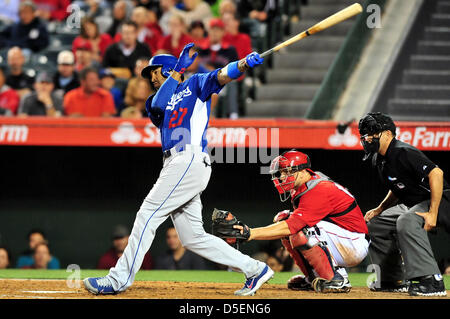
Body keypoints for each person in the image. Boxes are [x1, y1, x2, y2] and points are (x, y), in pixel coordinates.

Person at [83, 42, 273, 297]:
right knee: (193, 237)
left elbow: (222, 75)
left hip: (189, 158)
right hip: (175, 163)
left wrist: (242, 64)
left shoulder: (195, 84)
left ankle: (118, 279)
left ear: (169, 70)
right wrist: (176, 72)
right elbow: (160, 105)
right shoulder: (155, 102)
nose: (151, 77)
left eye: (155, 71)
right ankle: (255, 269)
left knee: (147, 215)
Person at [233, 150, 369, 293]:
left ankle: (336, 279)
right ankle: (314, 277)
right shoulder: (304, 185)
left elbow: (293, 226)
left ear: (303, 172)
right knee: (286, 221)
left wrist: (251, 233)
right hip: (340, 237)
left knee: (300, 229)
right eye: (281, 172)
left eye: (287, 171)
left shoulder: (318, 189)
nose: (283, 176)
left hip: (354, 241)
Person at [358, 112, 449, 297]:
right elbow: (397, 186)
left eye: (373, 132)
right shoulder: (380, 158)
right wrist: (380, 209)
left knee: (406, 220)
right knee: (376, 224)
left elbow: (436, 174)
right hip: (415, 203)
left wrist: (433, 212)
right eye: (365, 134)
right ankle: (392, 279)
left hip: (442, 201)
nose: (368, 137)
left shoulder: (402, 151)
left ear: (388, 134)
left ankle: (432, 280)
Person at [198, 18, 239, 119]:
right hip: (204, 82)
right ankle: (208, 119)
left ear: (223, 32)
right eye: (213, 29)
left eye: (218, 30)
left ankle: (233, 116)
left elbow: (236, 70)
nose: (215, 33)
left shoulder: (230, 50)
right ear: (208, 31)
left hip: (223, 82)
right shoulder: (200, 49)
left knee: (232, 83)